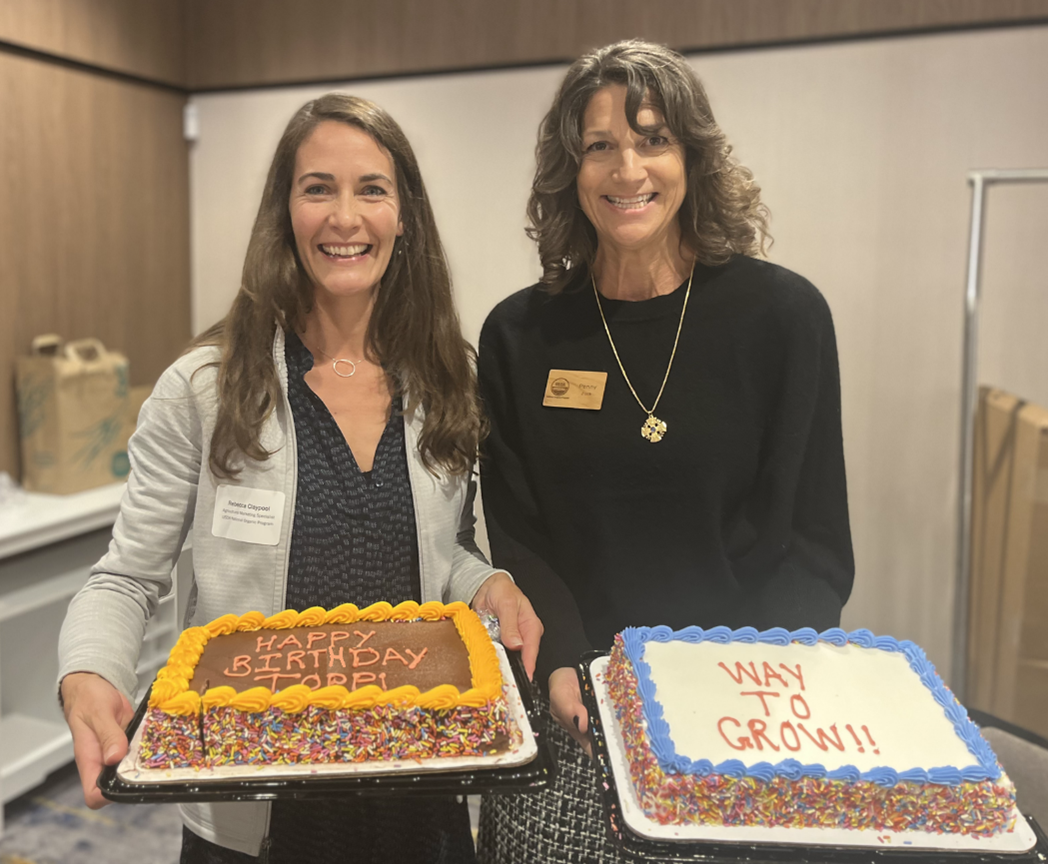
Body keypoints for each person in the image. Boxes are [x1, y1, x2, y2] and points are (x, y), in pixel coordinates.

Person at [57, 92, 542, 864]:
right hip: (254, 801)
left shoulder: (448, 378)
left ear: (403, 214)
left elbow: (442, 555)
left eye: (371, 189)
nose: (345, 217)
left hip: (418, 787)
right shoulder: (203, 390)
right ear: (285, 211)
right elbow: (125, 577)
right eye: (318, 188)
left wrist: (489, 584)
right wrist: (87, 673)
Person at [475, 40, 854, 862]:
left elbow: (816, 543)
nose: (627, 169)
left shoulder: (784, 320)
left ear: (694, 157)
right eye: (599, 146)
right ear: (570, 171)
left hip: (737, 720)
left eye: (653, 139)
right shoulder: (519, 334)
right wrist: (567, 660)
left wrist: (743, 693)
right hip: (575, 711)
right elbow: (516, 524)